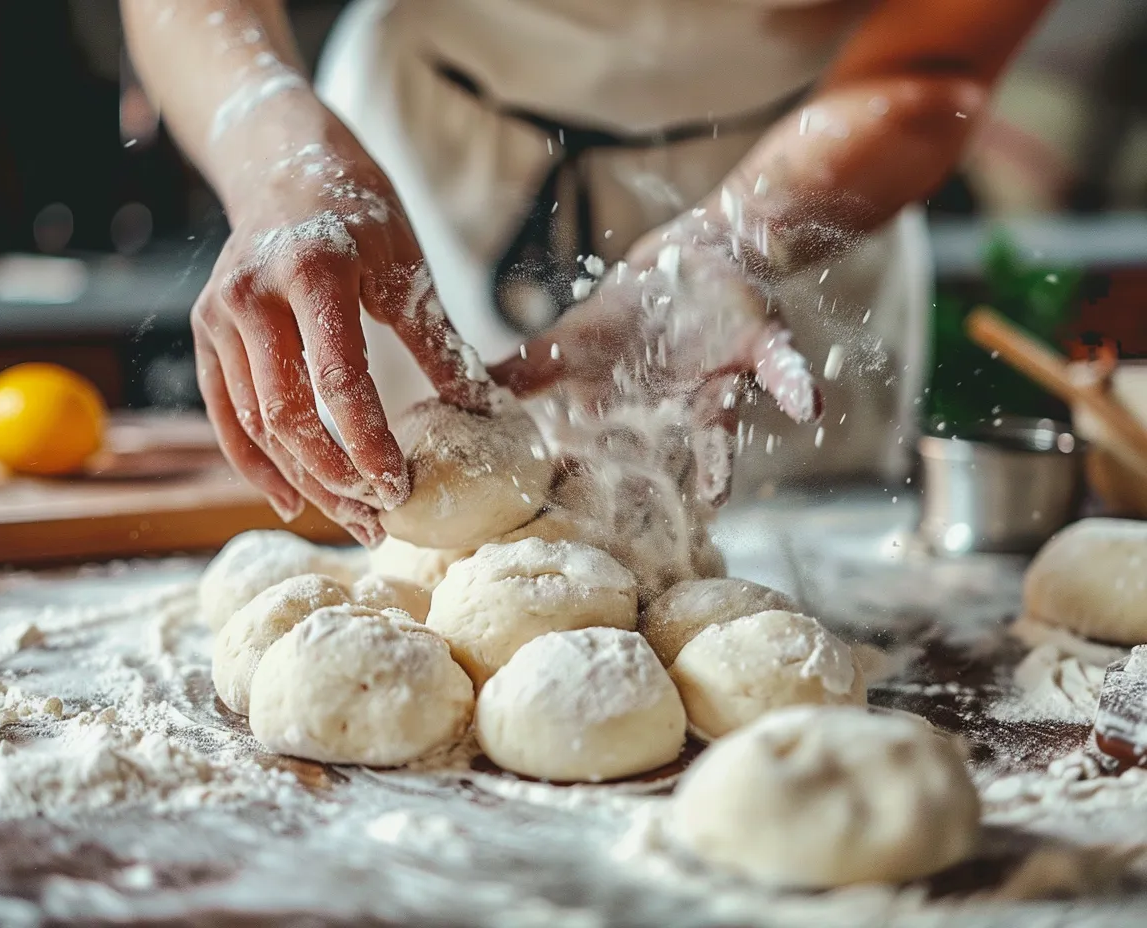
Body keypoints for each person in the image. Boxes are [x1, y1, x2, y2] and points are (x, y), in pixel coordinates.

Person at [121, 0, 1051, 546]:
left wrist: (732, 244)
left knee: (796, 571)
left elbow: (943, 49)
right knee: (415, 531)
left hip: (804, 177)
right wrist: (277, 154)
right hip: (428, 159)